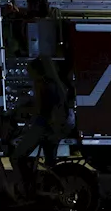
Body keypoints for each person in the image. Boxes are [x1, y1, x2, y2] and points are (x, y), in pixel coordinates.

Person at [9, 55, 70, 197]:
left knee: (16, 157)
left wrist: (21, 111)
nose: (30, 75)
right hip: (56, 128)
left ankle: (27, 189)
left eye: (30, 72)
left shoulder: (41, 83)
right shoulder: (56, 84)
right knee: (49, 163)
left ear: (37, 72)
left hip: (44, 127)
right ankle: (41, 185)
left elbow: (40, 110)